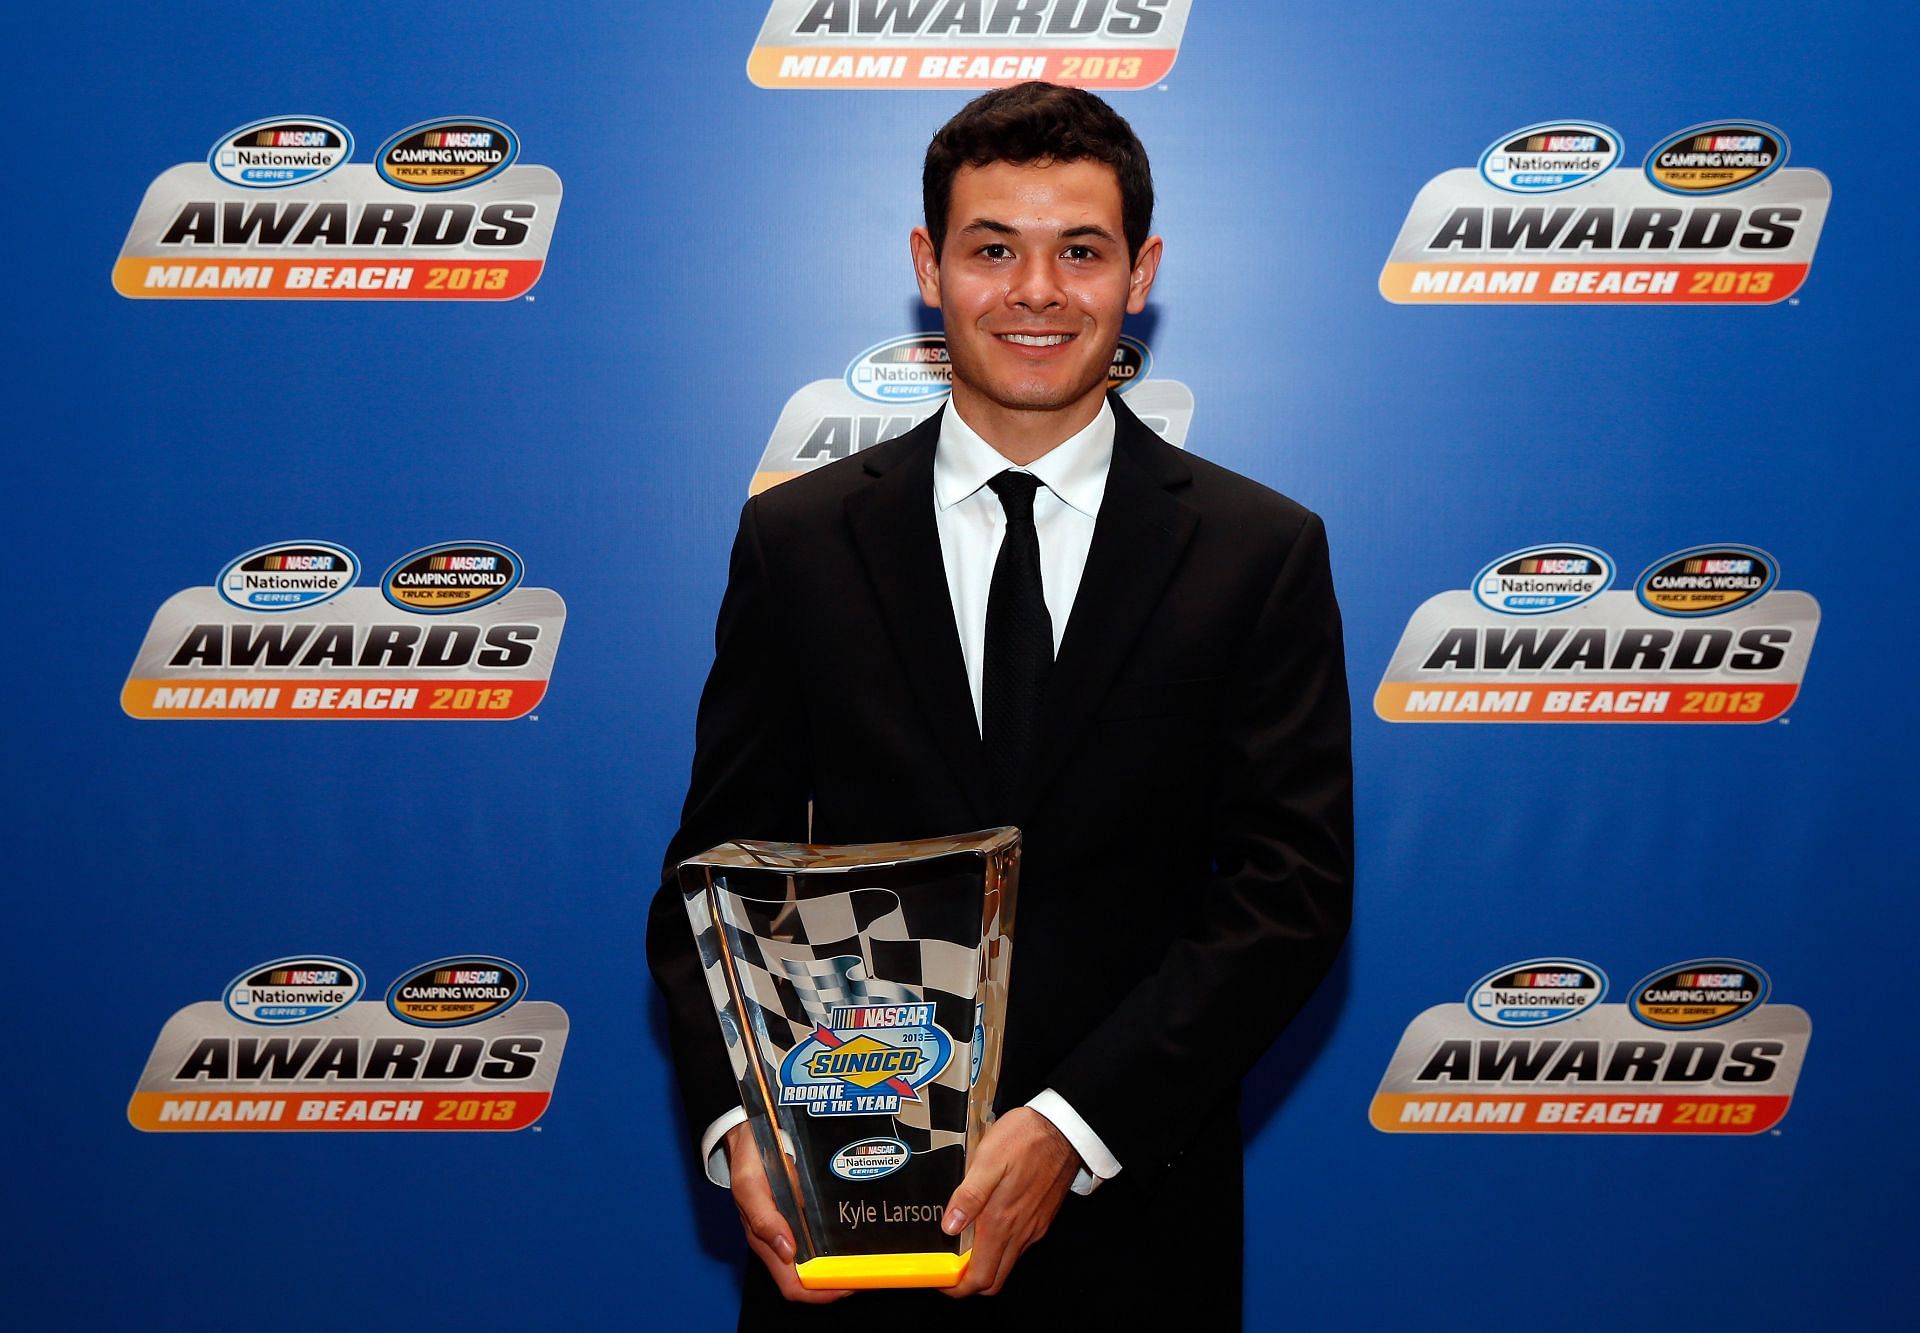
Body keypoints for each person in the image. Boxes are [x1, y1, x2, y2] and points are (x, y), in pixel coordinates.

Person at [646, 81, 1353, 1329]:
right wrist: (736, 1121)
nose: (1036, 291)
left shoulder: (1260, 550)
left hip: (1136, 1230)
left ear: (1141, 273)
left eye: (1080, 250)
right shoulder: (798, 540)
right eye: (992, 249)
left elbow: (1288, 895)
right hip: (848, 1236)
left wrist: (1070, 1129)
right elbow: (715, 872)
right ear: (930, 266)